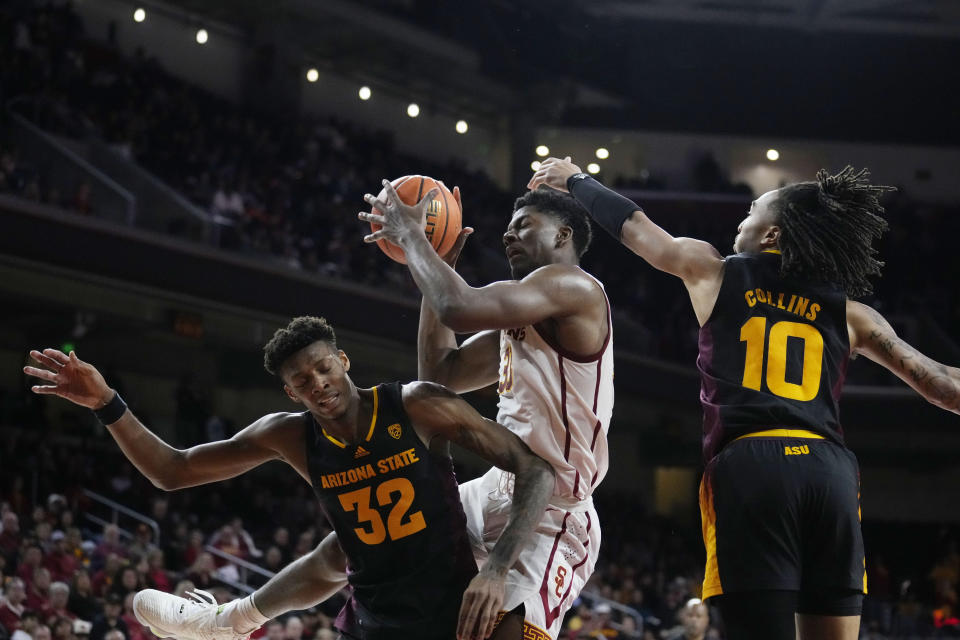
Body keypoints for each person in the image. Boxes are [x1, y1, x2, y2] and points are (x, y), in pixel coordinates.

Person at [529, 159, 960, 640]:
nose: (741, 218)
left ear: (772, 235)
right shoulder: (852, 313)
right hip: (829, 470)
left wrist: (575, 179)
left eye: (752, 211)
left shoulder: (713, 271)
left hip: (753, 465)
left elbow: (636, 230)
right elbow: (940, 383)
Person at [25, 315, 555, 640]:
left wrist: (497, 569)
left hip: (455, 606)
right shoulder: (290, 436)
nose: (318, 383)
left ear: (343, 360)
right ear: (291, 393)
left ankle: (229, 621)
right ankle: (229, 622)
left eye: (324, 367)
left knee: (333, 550)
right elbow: (171, 470)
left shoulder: (415, 406)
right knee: (337, 549)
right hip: (376, 622)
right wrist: (106, 403)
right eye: (302, 380)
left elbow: (535, 472)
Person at [359, 179, 613, 639]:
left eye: (524, 224)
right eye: (507, 227)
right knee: (368, 533)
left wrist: (414, 236)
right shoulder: (521, 318)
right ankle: (230, 620)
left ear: (563, 235)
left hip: (553, 508)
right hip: (498, 484)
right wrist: (441, 262)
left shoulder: (575, 287)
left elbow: (457, 305)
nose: (508, 234)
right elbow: (440, 375)